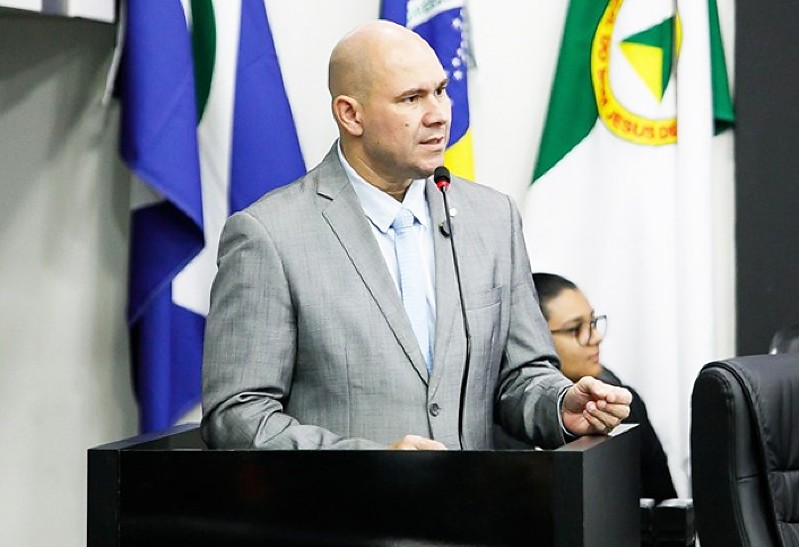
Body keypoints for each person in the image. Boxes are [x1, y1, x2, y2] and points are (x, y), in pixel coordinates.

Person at [201, 20, 631, 451]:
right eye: (411, 98)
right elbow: (237, 415)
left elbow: (519, 375)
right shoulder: (269, 235)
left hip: (473, 495)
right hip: (348, 498)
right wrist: (370, 463)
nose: (439, 114)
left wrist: (558, 405)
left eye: (441, 91)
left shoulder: (492, 218)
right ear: (351, 115)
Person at [532, 272, 678, 500]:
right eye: (575, 329)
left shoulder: (623, 404)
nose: (595, 337)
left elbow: (664, 502)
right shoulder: (501, 428)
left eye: (592, 323)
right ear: (532, 338)